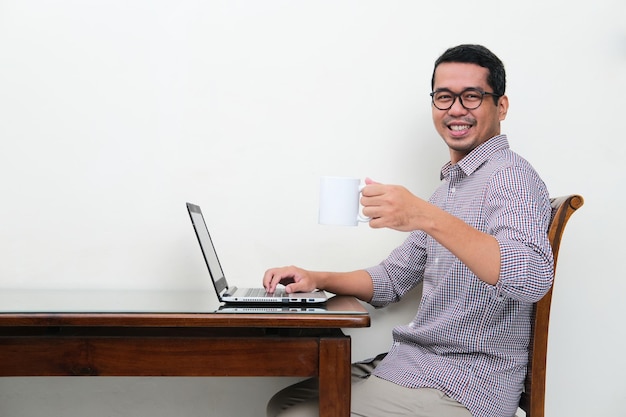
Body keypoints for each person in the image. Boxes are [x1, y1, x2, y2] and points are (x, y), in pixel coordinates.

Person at [263, 44, 554, 417]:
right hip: (413, 364)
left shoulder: (510, 177)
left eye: (472, 96)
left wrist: (424, 215)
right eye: (444, 97)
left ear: (501, 106)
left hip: (462, 385)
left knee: (296, 414)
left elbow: (531, 277)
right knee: (284, 402)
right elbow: (390, 280)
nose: (456, 109)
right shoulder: (451, 187)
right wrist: (316, 277)